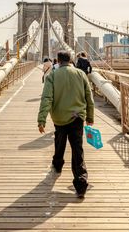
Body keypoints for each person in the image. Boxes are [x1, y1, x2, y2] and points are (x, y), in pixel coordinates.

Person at [37, 50, 94, 198]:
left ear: (58, 60)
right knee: (77, 149)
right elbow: (89, 97)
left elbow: (46, 98)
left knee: (59, 140)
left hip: (59, 118)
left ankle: (57, 164)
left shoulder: (52, 76)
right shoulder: (81, 74)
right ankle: (81, 183)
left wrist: (42, 119)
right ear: (70, 60)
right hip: (77, 117)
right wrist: (90, 116)